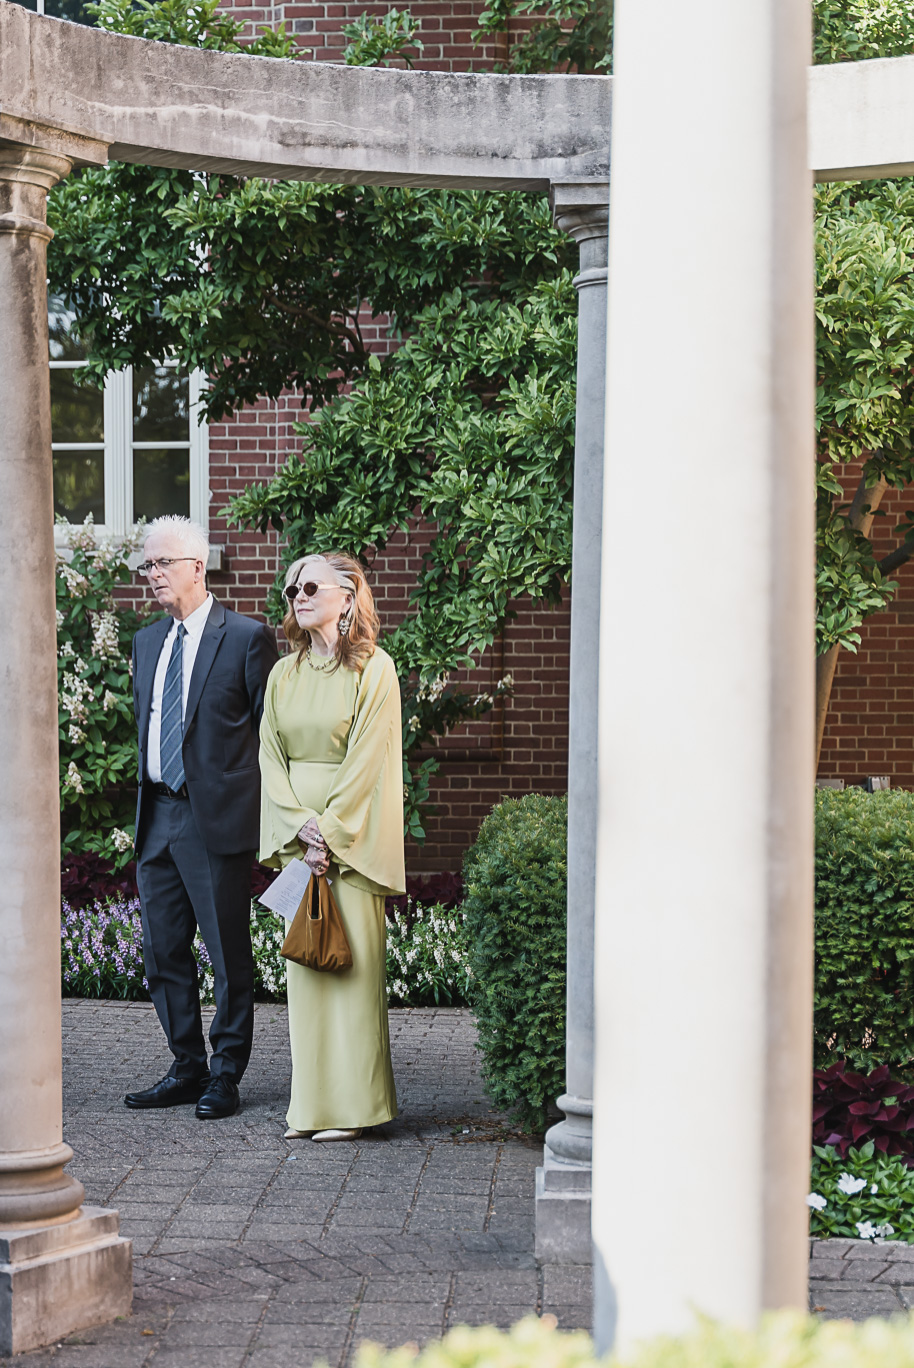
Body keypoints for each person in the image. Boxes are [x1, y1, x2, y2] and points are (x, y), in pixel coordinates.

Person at [125, 515, 279, 1120]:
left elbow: (271, 736)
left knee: (226, 951)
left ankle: (226, 1073)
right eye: (147, 565)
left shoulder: (245, 637)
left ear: (197, 565)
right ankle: (186, 1065)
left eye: (162, 563)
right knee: (163, 951)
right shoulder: (146, 642)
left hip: (215, 822)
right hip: (157, 815)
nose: (152, 575)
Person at [259, 551, 405, 1141]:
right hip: (304, 842)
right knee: (309, 971)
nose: (298, 593)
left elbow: (370, 759)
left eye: (311, 584)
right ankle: (312, 1109)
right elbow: (270, 757)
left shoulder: (376, 669)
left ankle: (356, 1109)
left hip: (351, 840)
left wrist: (331, 833)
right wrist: (299, 828)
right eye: (292, 587)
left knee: (353, 972)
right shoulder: (282, 675)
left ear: (348, 596)